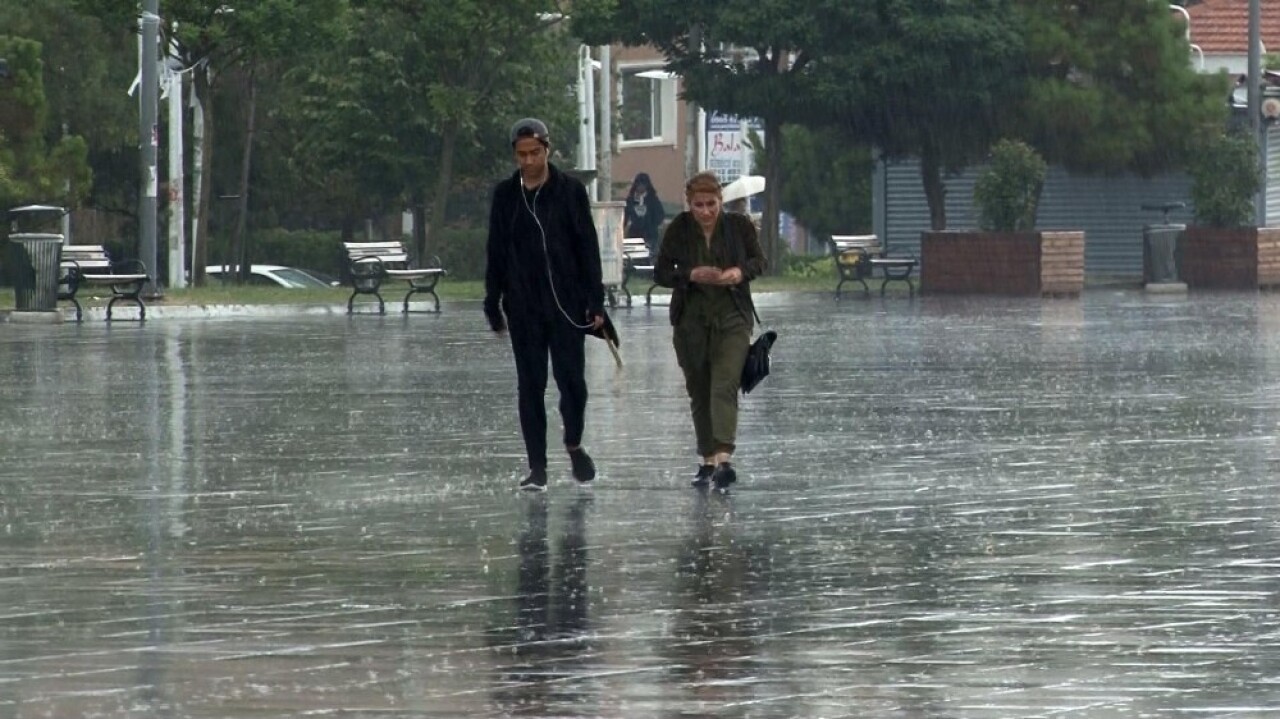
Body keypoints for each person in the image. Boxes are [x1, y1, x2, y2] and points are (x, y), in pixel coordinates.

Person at [484, 118, 606, 491]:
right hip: (523, 305)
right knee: (530, 385)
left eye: (535, 153)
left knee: (572, 382)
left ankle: (573, 443)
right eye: (521, 155)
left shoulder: (569, 191)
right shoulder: (506, 195)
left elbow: (587, 246)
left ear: (547, 150)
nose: (528, 161)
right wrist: (493, 299)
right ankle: (537, 467)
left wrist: (594, 299)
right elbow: (496, 250)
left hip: (566, 302)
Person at [654, 171, 767, 490]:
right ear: (689, 204)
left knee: (724, 383)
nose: (705, 211)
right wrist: (691, 274)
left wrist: (738, 272)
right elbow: (661, 271)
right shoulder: (679, 229)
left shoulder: (739, 226)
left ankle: (723, 459)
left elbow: (760, 262)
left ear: (721, 200)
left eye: (712, 204)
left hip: (733, 315)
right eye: (698, 205)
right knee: (699, 388)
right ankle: (706, 460)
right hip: (691, 320)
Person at [623, 172, 666, 258]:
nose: (640, 187)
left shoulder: (652, 200)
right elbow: (624, 217)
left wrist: (652, 224)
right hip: (634, 236)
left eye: (643, 184)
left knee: (650, 258)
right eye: (638, 184)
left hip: (650, 236)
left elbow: (660, 215)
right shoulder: (630, 200)